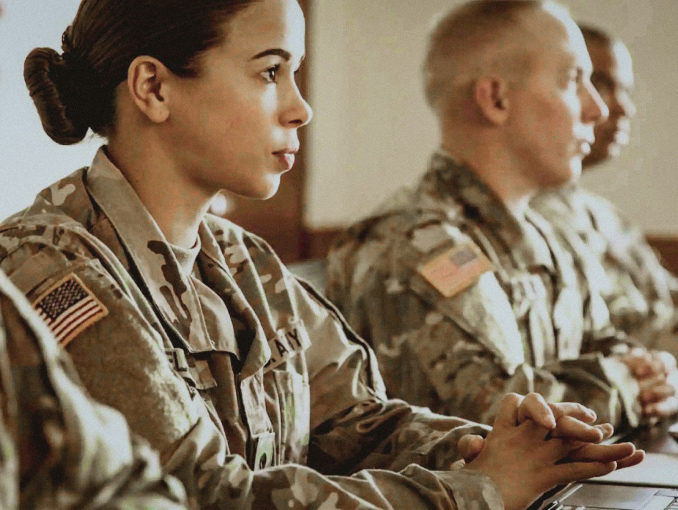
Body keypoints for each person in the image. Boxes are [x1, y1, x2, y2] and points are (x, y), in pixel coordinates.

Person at [0, 0, 642, 509]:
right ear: (153, 88)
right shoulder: (57, 272)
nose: (300, 108)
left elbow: (356, 420)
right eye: (271, 71)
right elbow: (198, 497)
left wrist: (484, 448)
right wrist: (477, 490)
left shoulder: (240, 259)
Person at [326, 0, 678, 428]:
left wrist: (649, 370)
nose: (597, 109)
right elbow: (496, 418)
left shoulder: (548, 234)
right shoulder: (416, 244)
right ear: (496, 98)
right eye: (572, 81)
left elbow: (601, 341)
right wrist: (627, 389)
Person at [531, 25, 678, 352]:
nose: (620, 107)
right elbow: (610, 334)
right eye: (599, 83)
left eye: (624, 90)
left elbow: (665, 295)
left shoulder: (605, 215)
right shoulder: (526, 216)